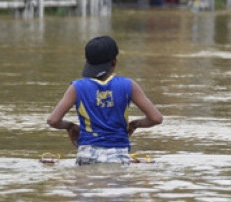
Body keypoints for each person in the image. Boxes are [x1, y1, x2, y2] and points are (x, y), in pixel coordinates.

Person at [46, 35, 163, 165]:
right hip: (119, 154)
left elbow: (53, 120)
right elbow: (156, 118)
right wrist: (134, 124)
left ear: (87, 61)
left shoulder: (76, 87)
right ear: (114, 61)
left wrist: (70, 126)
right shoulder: (129, 85)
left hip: (87, 154)